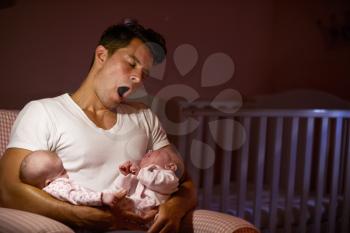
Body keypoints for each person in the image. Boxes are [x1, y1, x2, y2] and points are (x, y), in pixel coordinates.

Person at [0, 19, 197, 232]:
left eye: (145, 73)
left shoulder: (144, 116)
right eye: (131, 64)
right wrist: (89, 217)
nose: (138, 78)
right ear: (102, 55)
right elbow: (6, 190)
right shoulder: (43, 112)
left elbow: (184, 181)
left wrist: (175, 208)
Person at [19, 150, 127, 208]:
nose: (67, 173)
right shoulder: (56, 187)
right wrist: (101, 198)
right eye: (62, 172)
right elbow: (76, 197)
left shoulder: (50, 189)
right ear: (49, 182)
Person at [113, 146, 185, 217]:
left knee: (119, 203)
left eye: (155, 151)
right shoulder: (140, 175)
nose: (149, 151)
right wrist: (125, 175)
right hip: (134, 206)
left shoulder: (170, 177)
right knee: (116, 199)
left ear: (170, 166)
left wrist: (140, 172)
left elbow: (157, 181)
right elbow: (121, 189)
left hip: (149, 210)